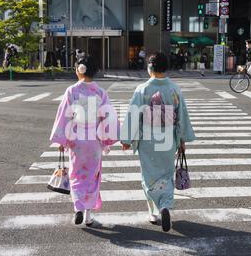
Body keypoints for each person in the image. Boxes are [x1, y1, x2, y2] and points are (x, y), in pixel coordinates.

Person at [120, 52, 195, 232]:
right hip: (168, 139)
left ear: (150, 68)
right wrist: (182, 138)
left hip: (148, 139)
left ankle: (153, 212)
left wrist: (127, 139)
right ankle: (165, 206)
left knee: (149, 176)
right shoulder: (175, 89)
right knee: (167, 174)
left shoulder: (142, 89)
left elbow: (133, 115)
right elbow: (182, 117)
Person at [49, 56, 120, 227]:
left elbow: (64, 116)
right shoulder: (101, 93)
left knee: (76, 175)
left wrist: (61, 140)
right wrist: (107, 140)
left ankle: (78, 208)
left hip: (76, 140)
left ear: (78, 70)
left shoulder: (72, 91)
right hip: (94, 141)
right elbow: (107, 117)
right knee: (92, 177)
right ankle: (88, 215)